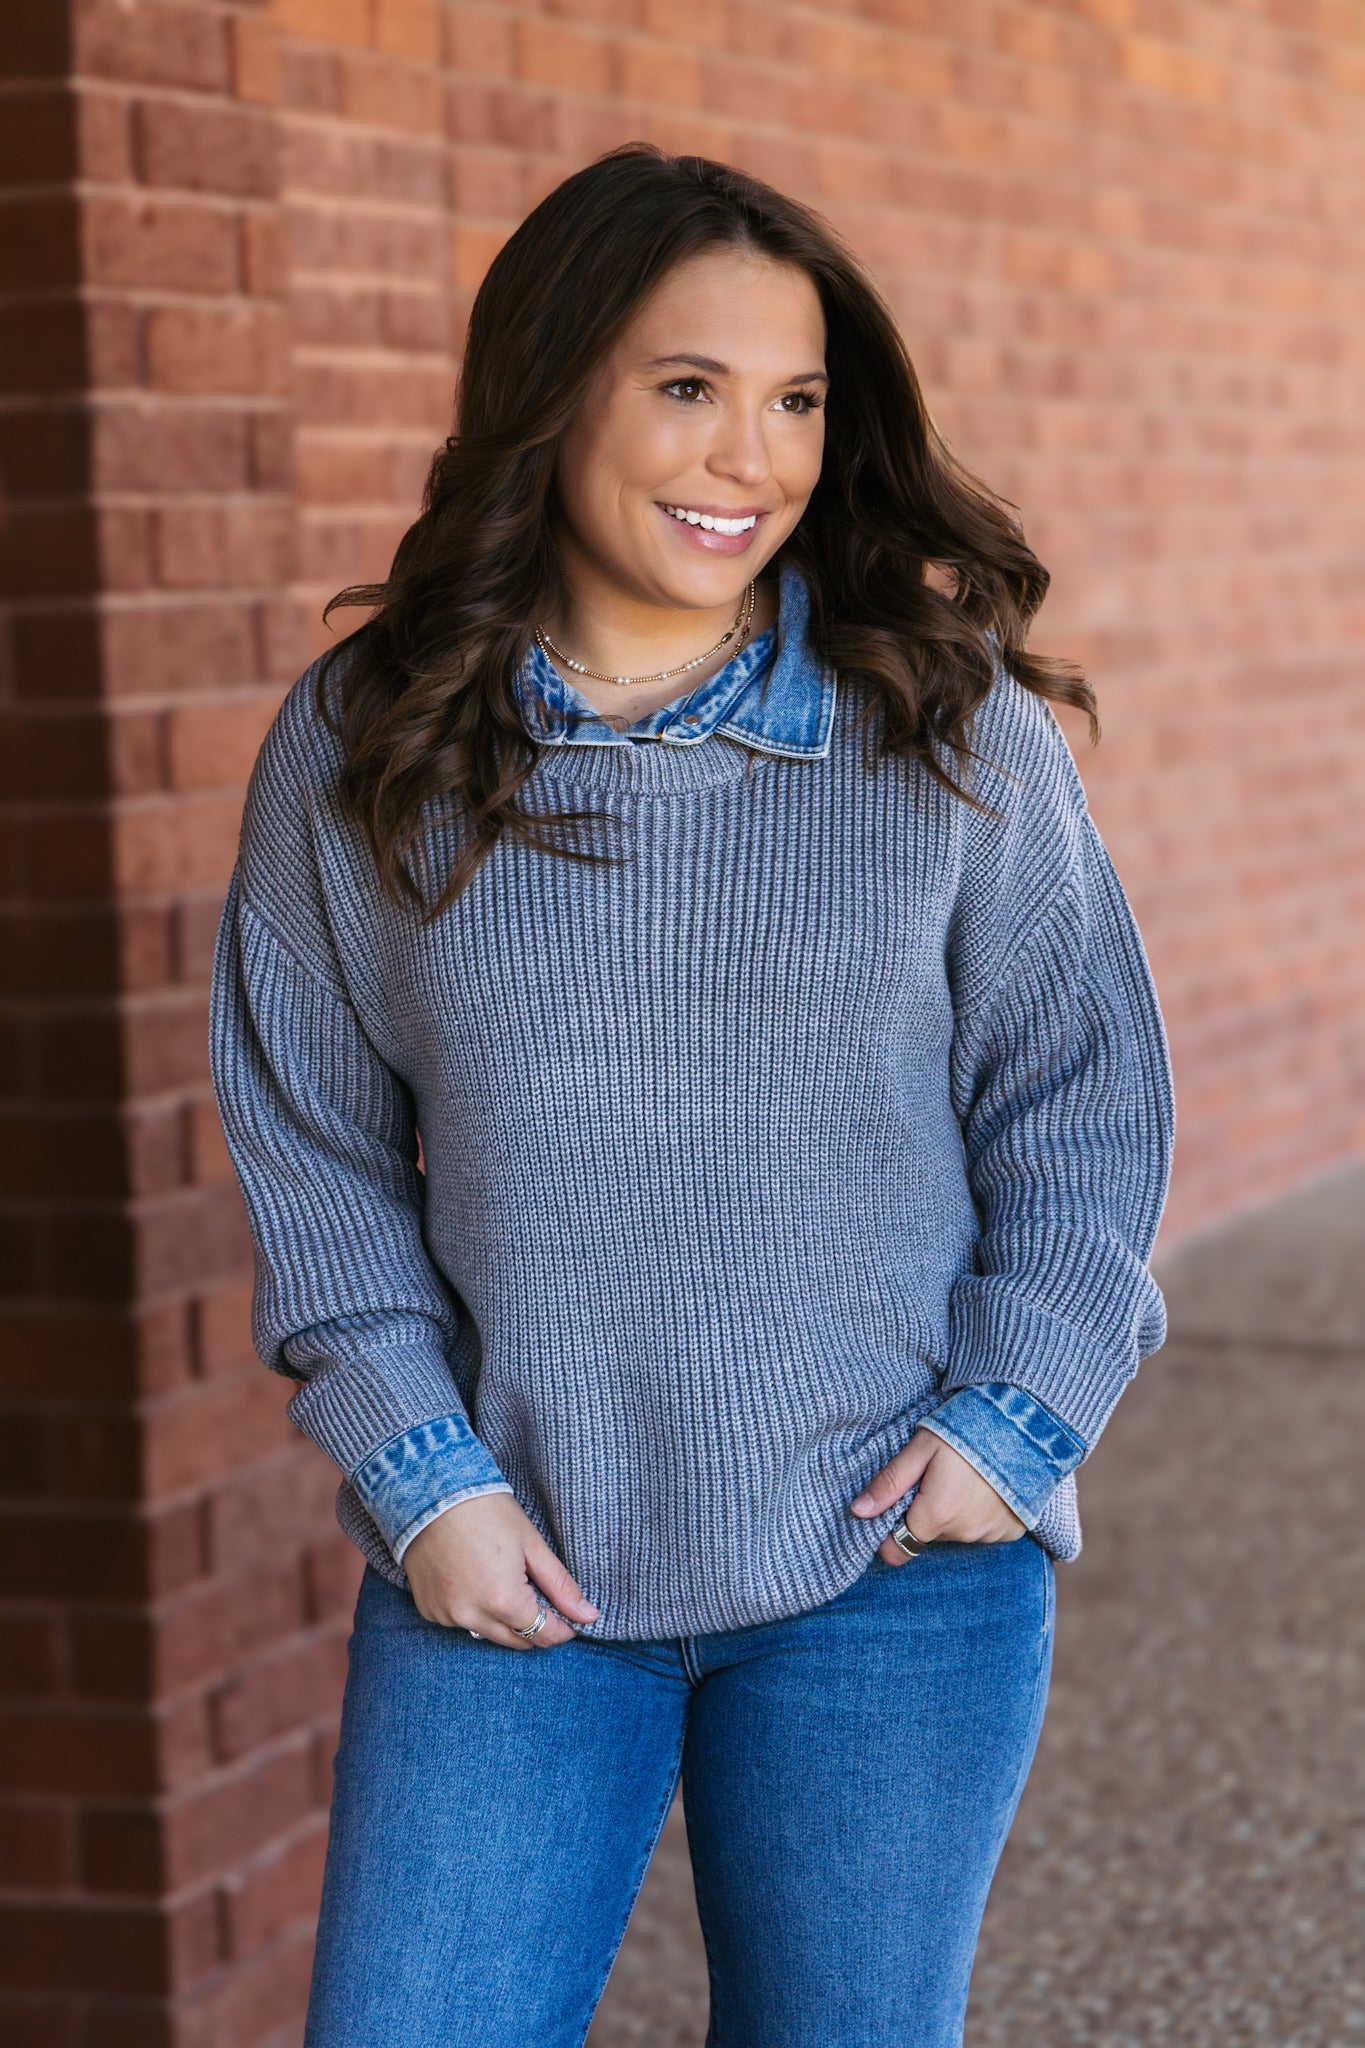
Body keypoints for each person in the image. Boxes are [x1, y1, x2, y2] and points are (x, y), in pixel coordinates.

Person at [209, 144, 1174, 2048]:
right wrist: (422, 1480)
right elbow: (311, 1151)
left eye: (797, 401)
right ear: (549, 390)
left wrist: (1015, 1418)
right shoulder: (365, 745)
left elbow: (1076, 1097)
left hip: (886, 1576)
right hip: (510, 1570)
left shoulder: (943, 727)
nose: (751, 458)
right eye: (687, 389)